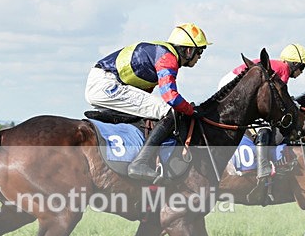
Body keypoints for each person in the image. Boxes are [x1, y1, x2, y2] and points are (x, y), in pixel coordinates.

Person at [85, 23, 211, 180]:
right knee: (168, 111)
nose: (200, 57)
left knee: (152, 110)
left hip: (102, 83)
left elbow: (146, 96)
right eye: (200, 51)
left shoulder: (160, 53)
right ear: (188, 50)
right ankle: (140, 163)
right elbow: (170, 97)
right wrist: (191, 110)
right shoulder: (167, 58)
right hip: (107, 84)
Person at [218, 43, 305, 203]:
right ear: (294, 64)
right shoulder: (283, 70)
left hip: (232, 82)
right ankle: (263, 171)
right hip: (233, 85)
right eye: (302, 67)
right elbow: (280, 97)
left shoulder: (278, 67)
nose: (301, 72)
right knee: (264, 128)